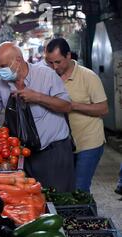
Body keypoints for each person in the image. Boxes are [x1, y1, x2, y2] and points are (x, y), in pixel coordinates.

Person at [0, 42, 75, 192]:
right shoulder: (2, 84)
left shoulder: (46, 75)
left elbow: (66, 106)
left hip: (53, 153)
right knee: (30, 198)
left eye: (3, 66)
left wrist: (37, 97)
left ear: (18, 60)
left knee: (58, 198)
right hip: (23, 154)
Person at [45, 38, 109, 193]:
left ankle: (88, 216)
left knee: (80, 189)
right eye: (50, 62)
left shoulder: (88, 77)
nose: (54, 67)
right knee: (66, 188)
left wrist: (72, 105)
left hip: (89, 143)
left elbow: (103, 109)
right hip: (63, 145)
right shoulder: (49, 76)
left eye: (58, 62)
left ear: (68, 56)